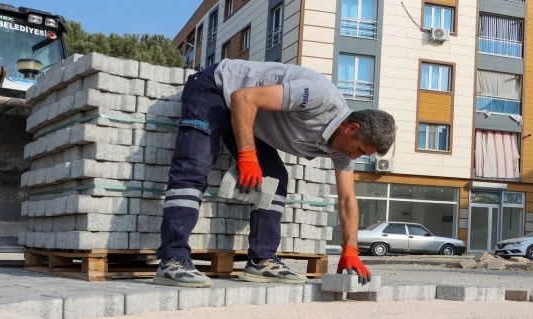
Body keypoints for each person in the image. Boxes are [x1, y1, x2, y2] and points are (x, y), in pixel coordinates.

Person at [153, 59, 396, 288]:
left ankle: (262, 260)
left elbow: (346, 199)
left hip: (246, 116)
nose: (355, 158)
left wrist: (350, 250)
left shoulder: (343, 150)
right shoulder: (320, 98)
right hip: (216, 89)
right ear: (352, 128)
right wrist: (247, 156)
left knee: (275, 177)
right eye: (360, 150)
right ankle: (172, 259)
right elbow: (243, 97)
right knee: (194, 164)